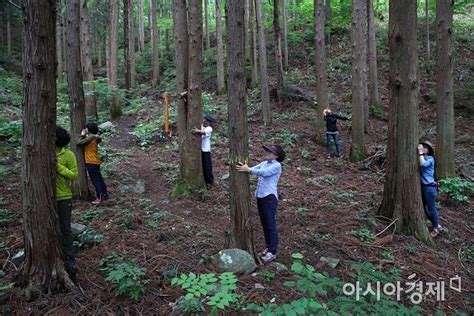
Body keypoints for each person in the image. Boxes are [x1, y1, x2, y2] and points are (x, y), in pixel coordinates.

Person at [236, 144, 285, 262]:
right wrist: (247, 168)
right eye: (267, 151)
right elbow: (255, 168)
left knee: (270, 224)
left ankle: (272, 252)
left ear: (276, 156)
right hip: (261, 196)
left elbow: (264, 173)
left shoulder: (277, 165)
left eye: (270, 152)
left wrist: (249, 170)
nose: (267, 153)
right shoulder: (264, 163)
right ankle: (268, 247)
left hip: (269, 197)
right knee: (264, 223)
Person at [56, 126, 78, 280]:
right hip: (47, 198)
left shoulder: (68, 154)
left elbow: (74, 175)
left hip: (63, 197)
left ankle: (69, 258)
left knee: (65, 228)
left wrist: (58, 166)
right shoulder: (43, 151)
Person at [77, 122, 108, 204]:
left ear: (89, 129)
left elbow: (79, 143)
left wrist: (82, 135)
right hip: (95, 161)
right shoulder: (94, 137)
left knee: (95, 180)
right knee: (99, 179)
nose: (85, 129)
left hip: (90, 161)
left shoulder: (90, 137)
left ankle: (99, 198)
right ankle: (104, 194)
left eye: (86, 128)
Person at [418, 140, 441, 238]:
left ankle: (436, 228)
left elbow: (423, 164)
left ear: (429, 150)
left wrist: (420, 153)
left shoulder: (430, 159)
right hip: (423, 188)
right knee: (423, 209)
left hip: (430, 188)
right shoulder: (421, 157)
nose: (423, 148)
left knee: (432, 208)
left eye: (425, 147)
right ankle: (437, 224)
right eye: (422, 146)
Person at [192, 115, 215, 189]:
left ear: (209, 122)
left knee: (207, 166)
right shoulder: (201, 126)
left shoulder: (209, 128)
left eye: (206, 121)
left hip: (206, 150)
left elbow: (204, 133)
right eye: (204, 120)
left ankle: (210, 182)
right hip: (199, 150)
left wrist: (197, 131)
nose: (205, 121)